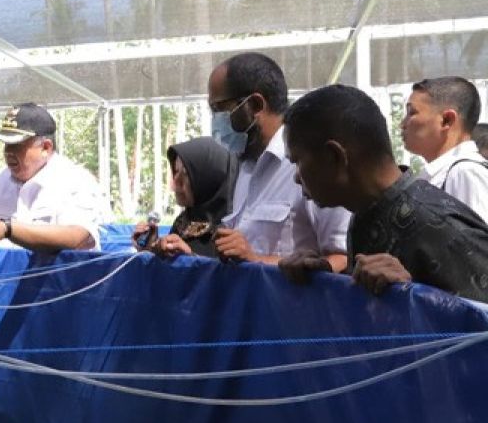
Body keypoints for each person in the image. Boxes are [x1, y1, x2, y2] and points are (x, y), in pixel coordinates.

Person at [279, 84, 488, 302]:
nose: (296, 177)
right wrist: (328, 279)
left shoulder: (441, 226)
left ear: (334, 156)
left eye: (298, 161)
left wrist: (412, 294)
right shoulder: (365, 213)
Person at [207, 52, 349, 272]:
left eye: (219, 109)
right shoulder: (245, 168)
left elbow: (343, 259)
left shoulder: (312, 163)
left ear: (254, 104)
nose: (215, 121)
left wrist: (255, 260)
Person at [0, 103, 110, 254]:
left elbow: (76, 236)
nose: (8, 152)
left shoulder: (77, 181)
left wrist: (8, 228)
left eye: (16, 145)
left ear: (45, 147)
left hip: (58, 277)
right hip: (2, 276)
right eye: (6, 145)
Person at [401, 77, 488, 224]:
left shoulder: (465, 173)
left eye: (412, 112)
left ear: (447, 120)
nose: (402, 124)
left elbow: (479, 245)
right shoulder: (440, 173)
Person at [132, 137, 236, 259]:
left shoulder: (232, 227)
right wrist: (150, 249)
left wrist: (190, 258)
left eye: (185, 175)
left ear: (207, 179)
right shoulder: (183, 223)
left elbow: (231, 275)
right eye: (175, 172)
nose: (175, 184)